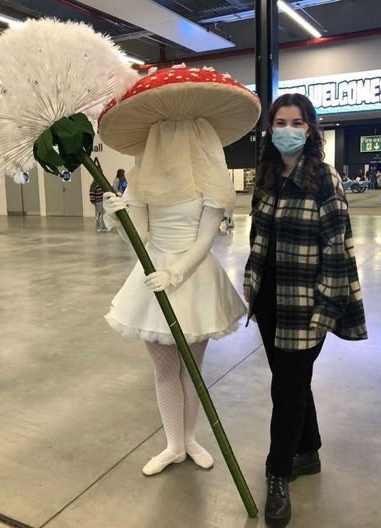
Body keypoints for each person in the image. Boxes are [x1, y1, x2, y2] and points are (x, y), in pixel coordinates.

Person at [98, 65, 260, 478]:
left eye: (185, 132)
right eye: (165, 133)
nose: (174, 140)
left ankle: (189, 439)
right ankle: (173, 444)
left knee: (192, 368)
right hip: (151, 278)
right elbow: (141, 235)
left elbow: (206, 239)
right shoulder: (140, 180)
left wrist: (177, 273)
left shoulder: (209, 180)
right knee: (165, 368)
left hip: (194, 279)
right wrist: (117, 217)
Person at [243, 93, 367, 528]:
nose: (288, 130)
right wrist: (250, 288)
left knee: (288, 390)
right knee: (291, 381)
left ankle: (278, 473)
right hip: (268, 300)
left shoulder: (324, 179)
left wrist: (325, 311)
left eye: (297, 122)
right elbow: (256, 237)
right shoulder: (267, 177)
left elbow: (339, 248)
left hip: (304, 304)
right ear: (270, 128)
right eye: (281, 122)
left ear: (311, 129)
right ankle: (308, 451)